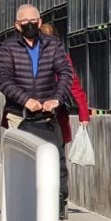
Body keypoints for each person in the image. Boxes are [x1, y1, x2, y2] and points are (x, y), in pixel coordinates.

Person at [0, 4, 74, 220]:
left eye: (34, 21)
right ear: (17, 26)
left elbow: (66, 73)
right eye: (24, 22)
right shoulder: (8, 48)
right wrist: (25, 100)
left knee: (54, 157)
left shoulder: (52, 45)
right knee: (21, 160)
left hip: (48, 115)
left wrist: (56, 99)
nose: (30, 25)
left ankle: (57, 200)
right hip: (18, 114)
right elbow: (3, 79)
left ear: (39, 22)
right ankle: (22, 202)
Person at [39, 23, 90, 152]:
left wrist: (84, 114)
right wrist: (83, 114)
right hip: (40, 114)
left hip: (54, 115)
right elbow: (75, 87)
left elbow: (73, 85)